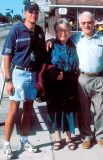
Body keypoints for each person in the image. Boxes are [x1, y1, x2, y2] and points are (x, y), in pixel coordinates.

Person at [1, 2, 45, 159]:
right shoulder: (15, 31)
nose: (34, 14)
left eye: (36, 11)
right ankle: (6, 144)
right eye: (31, 11)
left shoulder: (40, 31)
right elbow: (7, 57)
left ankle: (24, 140)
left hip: (32, 75)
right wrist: (8, 80)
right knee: (13, 110)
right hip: (18, 74)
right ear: (25, 13)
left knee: (28, 109)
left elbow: (41, 55)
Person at [70, 11, 103, 149]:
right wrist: (50, 41)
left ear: (94, 23)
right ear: (79, 24)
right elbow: (61, 40)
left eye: (89, 22)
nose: (86, 25)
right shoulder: (75, 39)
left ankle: (101, 136)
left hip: (99, 78)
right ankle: (86, 137)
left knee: (101, 110)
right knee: (84, 110)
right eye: (83, 23)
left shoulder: (102, 39)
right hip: (82, 79)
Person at [43, 18, 79, 150]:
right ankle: (58, 138)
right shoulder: (50, 46)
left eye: (66, 30)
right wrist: (55, 72)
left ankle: (69, 138)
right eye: (60, 30)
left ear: (69, 31)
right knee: (55, 110)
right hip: (54, 84)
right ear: (55, 31)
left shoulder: (74, 44)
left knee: (69, 110)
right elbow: (45, 65)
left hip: (70, 83)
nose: (63, 33)